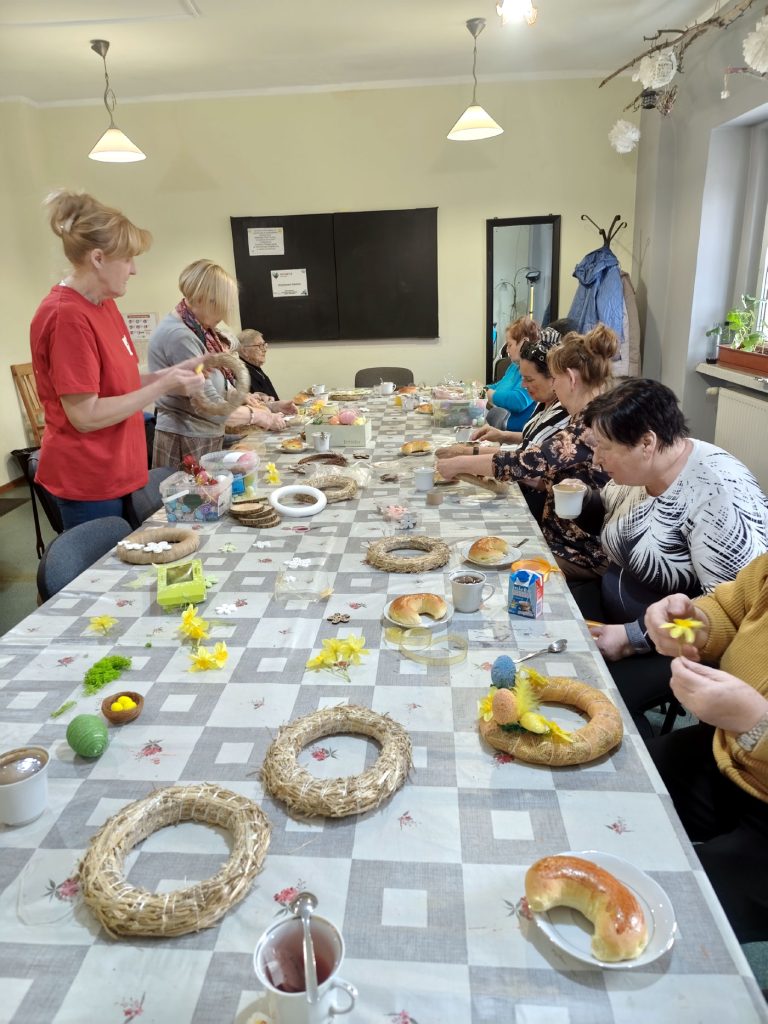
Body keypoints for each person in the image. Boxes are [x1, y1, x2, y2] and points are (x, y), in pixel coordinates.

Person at [569, 378, 768, 726]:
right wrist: (581, 501)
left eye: (605, 448)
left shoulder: (718, 497)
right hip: (613, 610)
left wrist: (632, 637)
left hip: (667, 648)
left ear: (647, 442)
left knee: (591, 701)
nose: (597, 460)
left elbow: (734, 613)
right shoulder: (643, 470)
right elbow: (613, 522)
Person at [30, 189, 205, 529]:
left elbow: (118, 385)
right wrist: (163, 386)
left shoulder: (104, 304)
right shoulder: (67, 316)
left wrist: (170, 374)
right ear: (98, 258)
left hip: (123, 470)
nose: (134, 269)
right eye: (127, 259)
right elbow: (85, 414)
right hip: (90, 480)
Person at [643, 556, 768, 942]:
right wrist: (690, 626)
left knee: (667, 916)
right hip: (725, 752)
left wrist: (757, 725)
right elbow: (731, 609)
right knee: (609, 782)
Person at [438, 326, 618, 579]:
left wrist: (459, 463)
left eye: (555, 379)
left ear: (571, 378)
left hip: (578, 552)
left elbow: (527, 461)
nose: (554, 387)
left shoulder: (587, 427)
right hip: (561, 540)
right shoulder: (591, 417)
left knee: (476, 565)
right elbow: (549, 475)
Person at [149, 260, 286, 468]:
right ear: (204, 299)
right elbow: (211, 406)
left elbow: (220, 387)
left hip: (204, 435)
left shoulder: (200, 329)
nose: (223, 315)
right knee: (198, 499)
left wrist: (268, 406)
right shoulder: (180, 336)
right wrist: (259, 417)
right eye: (220, 307)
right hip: (185, 441)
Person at [463, 327, 569, 522]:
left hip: (538, 506)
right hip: (521, 484)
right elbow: (536, 439)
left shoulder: (564, 414)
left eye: (528, 379)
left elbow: (537, 469)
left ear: (554, 378)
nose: (523, 385)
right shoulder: (546, 403)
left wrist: (464, 459)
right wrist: (504, 436)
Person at [484, 317, 538, 430]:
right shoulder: (514, 367)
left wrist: (486, 393)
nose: (507, 350)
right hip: (500, 426)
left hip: (512, 433)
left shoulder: (532, 372)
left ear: (524, 343)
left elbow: (518, 401)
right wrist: (478, 390)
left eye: (509, 345)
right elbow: (498, 386)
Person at [236, 329, 296, 415]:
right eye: (260, 346)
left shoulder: (254, 367)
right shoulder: (242, 373)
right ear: (244, 351)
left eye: (264, 345)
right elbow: (257, 406)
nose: (264, 349)